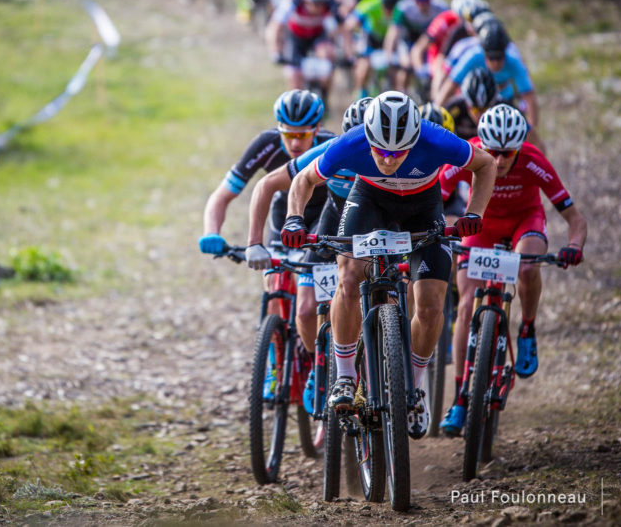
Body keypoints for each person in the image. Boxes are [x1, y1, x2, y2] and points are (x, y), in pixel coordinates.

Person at [282, 91, 497, 438]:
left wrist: (475, 212)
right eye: (380, 150)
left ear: (415, 139)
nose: (388, 159)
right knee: (349, 279)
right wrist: (294, 218)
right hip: (370, 201)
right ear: (367, 138)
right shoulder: (352, 143)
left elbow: (486, 164)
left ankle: (414, 387)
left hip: (422, 207)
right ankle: (346, 376)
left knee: (429, 306)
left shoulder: (435, 138)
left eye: (399, 152)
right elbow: (303, 180)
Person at [438, 105, 586, 436]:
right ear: (482, 145)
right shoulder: (468, 155)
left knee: (529, 266)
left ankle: (527, 329)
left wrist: (574, 246)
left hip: (525, 222)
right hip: (481, 226)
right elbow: (434, 200)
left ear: (519, 147)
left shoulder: (534, 161)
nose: (500, 160)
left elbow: (575, 219)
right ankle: (461, 396)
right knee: (465, 304)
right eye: (493, 152)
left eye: (508, 153)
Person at [245, 98, 368, 415]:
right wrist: (264, 236)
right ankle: (318, 365)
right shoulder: (332, 151)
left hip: (366, 223)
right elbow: (274, 183)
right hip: (327, 223)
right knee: (304, 309)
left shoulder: (397, 159)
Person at [199, 89, 333, 259]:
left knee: (313, 268)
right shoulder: (266, 144)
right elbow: (221, 195)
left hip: (323, 210)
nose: (295, 143)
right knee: (274, 277)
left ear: (317, 129)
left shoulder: (329, 145)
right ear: (279, 129)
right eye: (288, 134)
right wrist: (211, 232)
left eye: (302, 134)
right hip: (284, 210)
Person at [434, 17, 541, 139]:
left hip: (503, 103)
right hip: (472, 102)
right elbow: (449, 86)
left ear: (505, 51)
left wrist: (531, 133)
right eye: (491, 58)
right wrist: (436, 112)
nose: (495, 63)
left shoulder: (513, 61)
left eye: (499, 58)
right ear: (484, 51)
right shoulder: (473, 56)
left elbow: (530, 97)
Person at [267, 0, 337, 94]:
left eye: (321, 2)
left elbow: (339, 29)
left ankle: (324, 96)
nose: (318, 7)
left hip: (317, 35)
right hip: (296, 38)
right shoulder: (291, 4)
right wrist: (275, 51)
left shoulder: (330, 5)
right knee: (294, 77)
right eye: (314, 3)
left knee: (327, 57)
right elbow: (275, 27)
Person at [383, 0, 447, 92]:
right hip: (407, 40)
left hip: (429, 42)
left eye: (426, 0)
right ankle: (401, 92)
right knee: (406, 65)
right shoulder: (403, 8)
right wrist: (389, 54)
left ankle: (428, 89)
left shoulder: (441, 7)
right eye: (419, 1)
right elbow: (393, 33)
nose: (423, 4)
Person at [340, 0, 401, 96]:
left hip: (389, 38)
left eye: (392, 8)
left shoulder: (400, 8)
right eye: (386, 7)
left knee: (395, 67)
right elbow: (349, 25)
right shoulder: (371, 4)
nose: (388, 12)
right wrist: (350, 51)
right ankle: (360, 93)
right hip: (370, 37)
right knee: (365, 64)